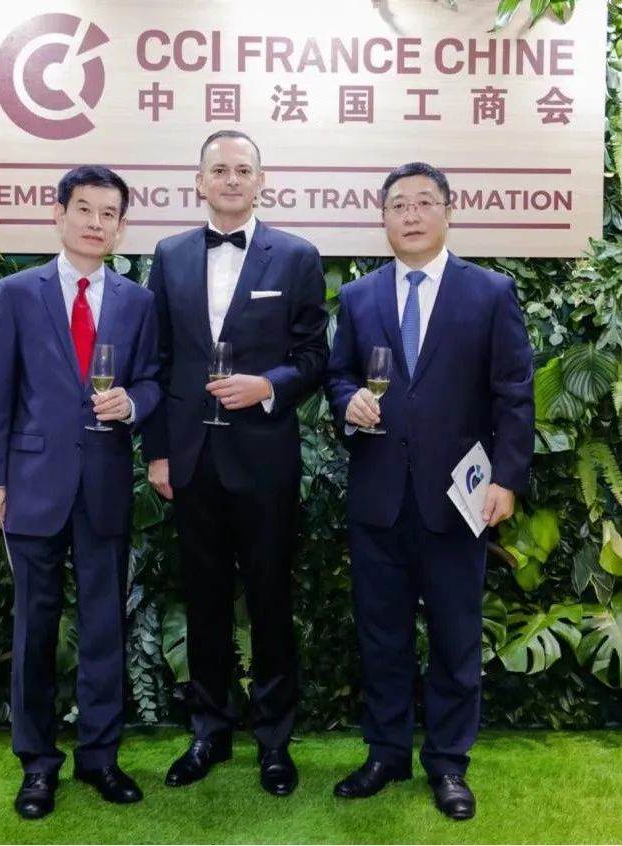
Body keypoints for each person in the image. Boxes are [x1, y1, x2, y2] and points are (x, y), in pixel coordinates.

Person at [326, 162, 534, 820]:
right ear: (383, 217)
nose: (410, 215)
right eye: (398, 205)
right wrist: (347, 401)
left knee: (454, 637)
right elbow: (336, 376)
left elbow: (513, 393)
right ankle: (386, 753)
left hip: (458, 500)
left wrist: (506, 478)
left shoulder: (490, 292)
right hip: (378, 497)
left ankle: (447, 763)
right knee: (381, 636)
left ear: (448, 210)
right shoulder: (358, 298)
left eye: (423, 203)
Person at [142, 130, 328, 796]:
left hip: (264, 457)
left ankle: (274, 741)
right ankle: (209, 731)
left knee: (271, 598)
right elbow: (157, 360)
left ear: (260, 181)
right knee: (203, 600)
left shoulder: (297, 256)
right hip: (190, 459)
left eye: (242, 169)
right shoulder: (168, 255)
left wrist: (267, 386)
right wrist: (158, 452)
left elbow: (314, 356)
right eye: (218, 169)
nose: (230, 179)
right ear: (199, 181)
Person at [0, 165, 161, 819]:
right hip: (31, 485)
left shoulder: (137, 302)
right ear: (58, 214)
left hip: (104, 486)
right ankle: (36, 764)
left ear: (120, 227)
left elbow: (152, 381)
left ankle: (100, 757)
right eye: (84, 209)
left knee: (105, 625)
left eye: (108, 214)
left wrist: (131, 403)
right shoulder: (18, 293)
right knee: (35, 630)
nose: (95, 223)